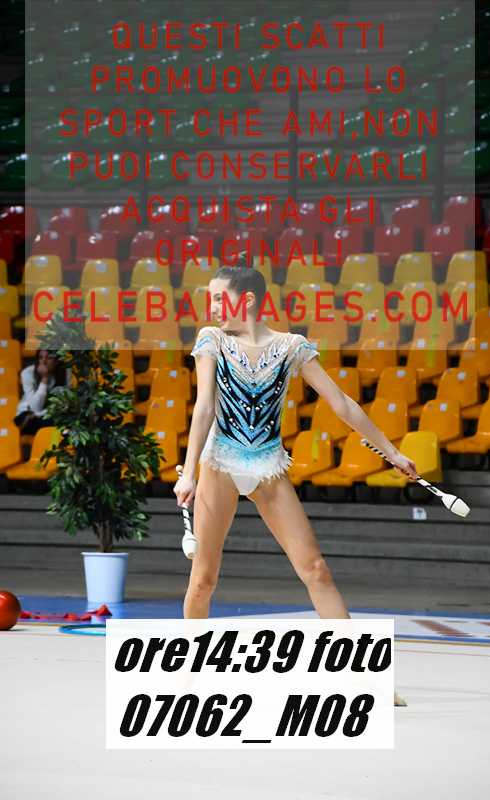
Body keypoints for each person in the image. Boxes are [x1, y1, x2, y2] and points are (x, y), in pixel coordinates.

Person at [173, 266, 416, 706]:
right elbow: (204, 406)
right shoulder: (212, 341)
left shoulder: (290, 347)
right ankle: (191, 678)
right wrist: (189, 472)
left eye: (219, 298)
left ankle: (366, 679)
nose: (211, 307)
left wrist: (393, 453)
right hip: (220, 464)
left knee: (316, 569)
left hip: (268, 466)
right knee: (203, 579)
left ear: (246, 299)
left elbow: (342, 403)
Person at [14, 349, 67, 435]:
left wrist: (39, 414)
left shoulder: (61, 375)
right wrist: (44, 378)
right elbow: (35, 407)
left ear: (56, 362)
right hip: (27, 415)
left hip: (46, 416)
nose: (44, 362)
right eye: (40, 358)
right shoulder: (28, 373)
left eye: (49, 358)